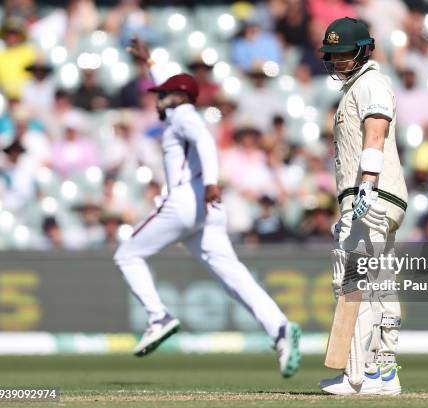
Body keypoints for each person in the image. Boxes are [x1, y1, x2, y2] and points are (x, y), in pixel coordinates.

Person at [113, 37, 301, 378]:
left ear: (179, 97)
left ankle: (159, 317)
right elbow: (173, 88)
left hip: (187, 200)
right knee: (234, 276)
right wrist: (150, 62)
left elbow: (202, 139)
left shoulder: (183, 115)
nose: (156, 99)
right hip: (208, 211)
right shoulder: (181, 109)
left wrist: (212, 181)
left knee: (127, 255)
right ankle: (280, 329)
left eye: (162, 95)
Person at [317, 18, 407, 395]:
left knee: (354, 283)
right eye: (333, 55)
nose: (338, 61)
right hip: (379, 197)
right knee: (381, 287)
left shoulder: (371, 83)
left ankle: (357, 377)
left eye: (344, 53)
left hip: (370, 196)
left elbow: (376, 130)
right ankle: (385, 374)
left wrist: (366, 186)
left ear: (363, 50)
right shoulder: (360, 84)